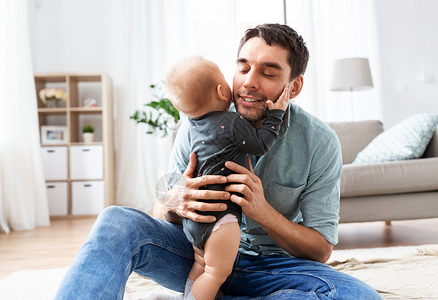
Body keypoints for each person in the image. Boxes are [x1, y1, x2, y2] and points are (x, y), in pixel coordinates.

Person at [55, 23, 382, 300]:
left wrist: (262, 211)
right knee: (117, 221)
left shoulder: (319, 141)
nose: (249, 82)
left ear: (293, 86)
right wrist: (177, 202)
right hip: (198, 256)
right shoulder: (199, 124)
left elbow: (320, 250)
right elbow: (161, 211)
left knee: (356, 296)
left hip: (276, 268)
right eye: (242, 68)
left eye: (267, 72)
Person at [164, 56, 289, 300]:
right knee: (215, 273)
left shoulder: (194, 127)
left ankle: (188, 295)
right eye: (241, 69)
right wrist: (276, 115)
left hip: (195, 223)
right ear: (223, 91)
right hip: (222, 219)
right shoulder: (232, 122)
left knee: (201, 265)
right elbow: (261, 144)